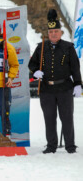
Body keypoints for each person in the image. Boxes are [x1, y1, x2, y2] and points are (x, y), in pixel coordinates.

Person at [28, 9, 82, 154]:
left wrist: (78, 84)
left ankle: (70, 145)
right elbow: (32, 63)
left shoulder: (68, 47)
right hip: (47, 89)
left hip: (65, 88)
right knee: (49, 119)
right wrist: (35, 72)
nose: (53, 34)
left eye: (56, 32)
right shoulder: (41, 47)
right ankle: (51, 145)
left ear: (61, 33)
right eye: (51, 32)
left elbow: (75, 68)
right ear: (48, 33)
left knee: (67, 118)